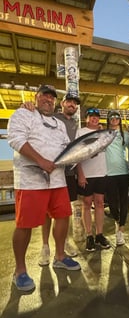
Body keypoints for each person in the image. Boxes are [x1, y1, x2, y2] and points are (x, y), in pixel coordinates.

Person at [7, 85, 81, 292]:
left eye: (52, 97)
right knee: (25, 224)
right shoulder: (23, 113)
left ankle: (60, 256)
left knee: (63, 216)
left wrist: (82, 154)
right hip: (31, 182)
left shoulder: (58, 123)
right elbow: (16, 139)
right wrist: (41, 161)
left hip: (58, 180)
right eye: (44, 96)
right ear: (36, 98)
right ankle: (20, 271)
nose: (48, 99)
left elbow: (68, 148)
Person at [21, 93, 81, 266]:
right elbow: (36, 115)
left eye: (75, 103)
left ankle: (63, 244)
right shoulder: (51, 115)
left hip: (66, 172)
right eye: (69, 101)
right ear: (61, 103)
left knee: (63, 212)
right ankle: (45, 246)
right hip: (45, 171)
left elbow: (73, 146)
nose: (72, 105)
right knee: (46, 213)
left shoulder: (75, 122)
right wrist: (26, 105)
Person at [76, 108, 111, 252]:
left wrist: (101, 131)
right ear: (86, 119)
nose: (95, 119)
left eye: (97, 117)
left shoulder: (103, 133)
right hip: (87, 175)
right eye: (92, 117)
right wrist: (80, 174)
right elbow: (75, 153)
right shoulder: (80, 132)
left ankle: (99, 234)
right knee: (86, 203)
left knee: (100, 203)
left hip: (101, 173)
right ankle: (89, 235)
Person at [105, 110, 129, 246]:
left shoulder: (125, 135)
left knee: (124, 202)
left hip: (124, 172)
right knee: (112, 204)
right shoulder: (103, 134)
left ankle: (121, 229)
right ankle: (117, 220)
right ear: (108, 120)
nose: (114, 119)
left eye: (117, 117)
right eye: (112, 117)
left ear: (120, 120)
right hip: (108, 173)